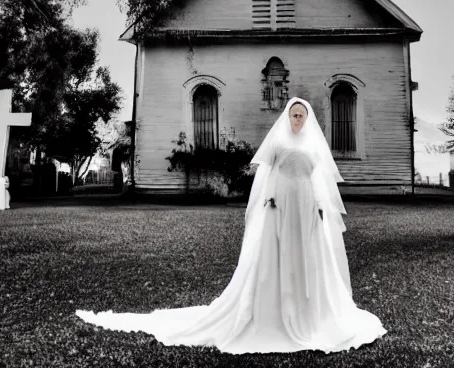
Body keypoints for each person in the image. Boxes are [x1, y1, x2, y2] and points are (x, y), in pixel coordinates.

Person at [76, 97, 386, 354]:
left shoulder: (313, 145)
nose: (297, 120)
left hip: (306, 202)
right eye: (293, 115)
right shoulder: (278, 142)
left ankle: (312, 311)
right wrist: (271, 200)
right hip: (282, 202)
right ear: (287, 116)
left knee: (310, 254)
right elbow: (269, 178)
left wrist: (320, 206)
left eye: (302, 115)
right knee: (278, 252)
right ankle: (274, 312)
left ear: (307, 118)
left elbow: (318, 181)